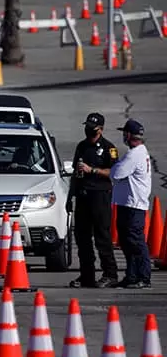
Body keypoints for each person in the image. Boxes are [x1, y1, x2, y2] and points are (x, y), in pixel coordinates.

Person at [67, 113, 118, 288]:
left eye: (92, 128)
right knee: (82, 239)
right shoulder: (81, 146)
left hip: (100, 196)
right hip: (82, 196)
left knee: (102, 237)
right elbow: (75, 172)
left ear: (101, 129)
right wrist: (70, 197)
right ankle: (86, 275)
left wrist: (93, 170)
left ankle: (110, 274)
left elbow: (114, 173)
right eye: (87, 127)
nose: (88, 131)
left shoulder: (108, 148)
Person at [111, 119, 152, 289]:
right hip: (128, 204)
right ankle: (132, 275)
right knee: (127, 242)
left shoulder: (134, 154)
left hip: (133, 206)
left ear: (129, 135)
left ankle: (143, 276)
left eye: (124, 133)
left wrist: (115, 164)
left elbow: (116, 173)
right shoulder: (139, 152)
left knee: (135, 242)